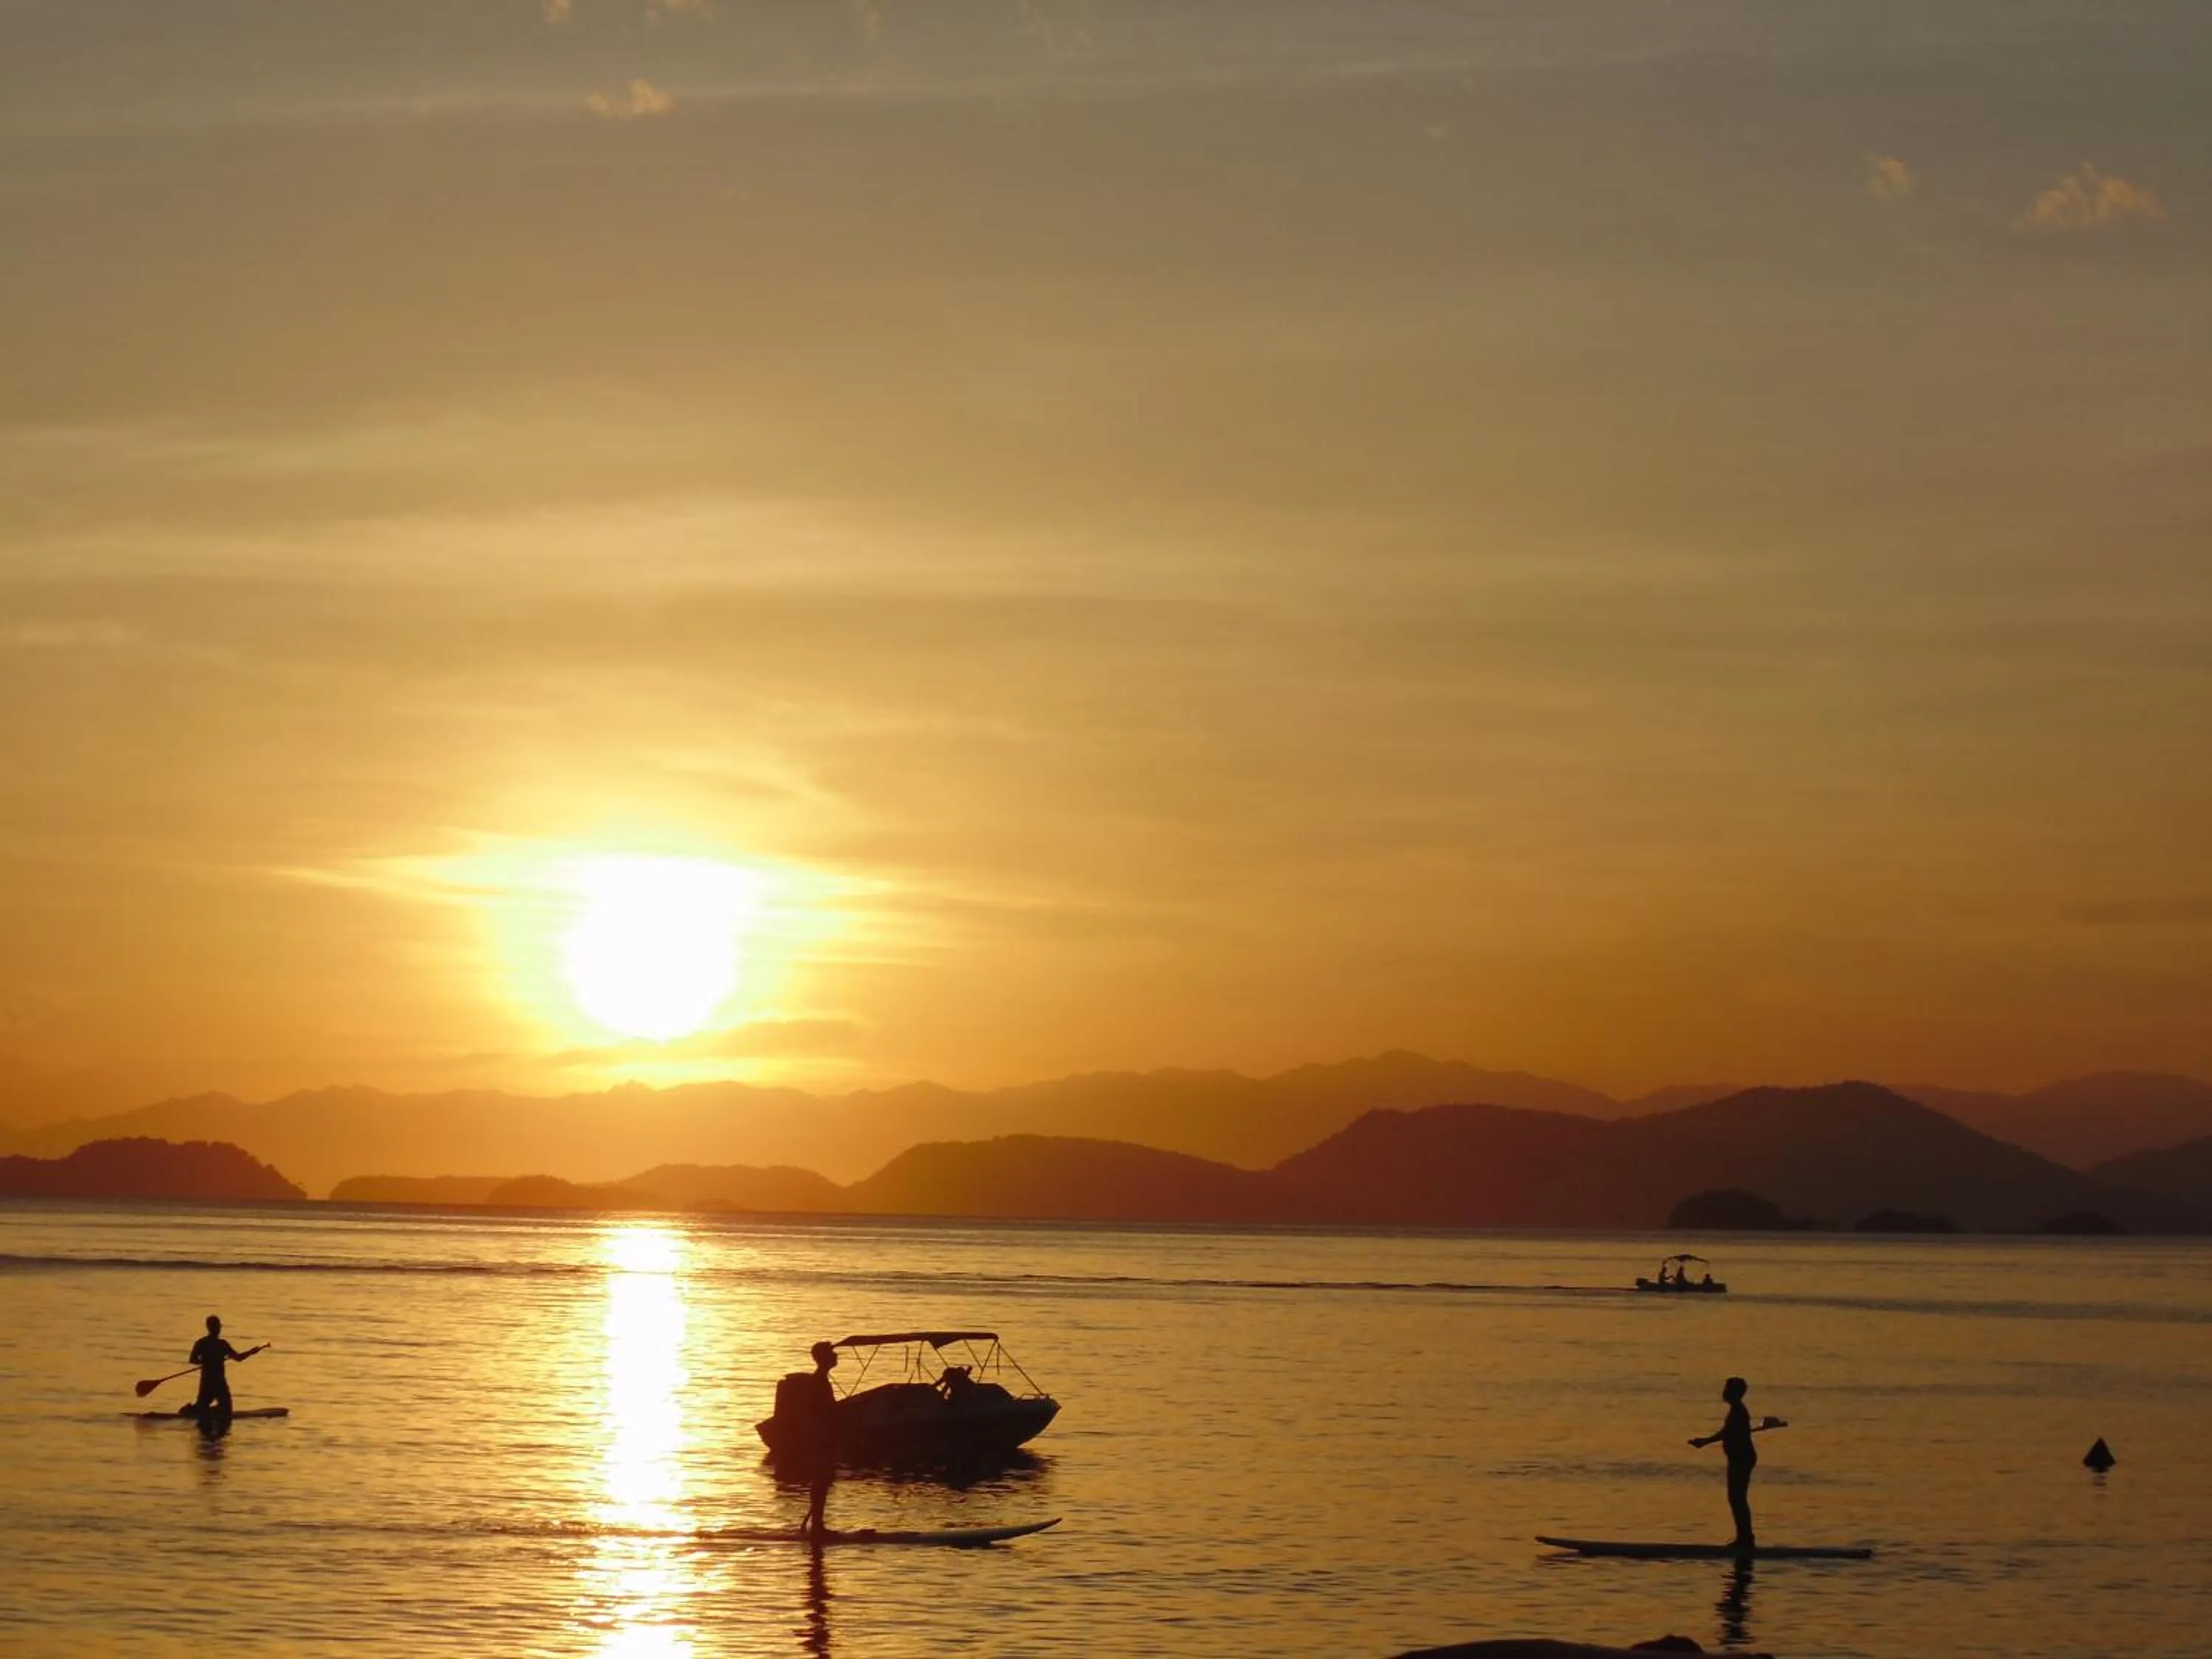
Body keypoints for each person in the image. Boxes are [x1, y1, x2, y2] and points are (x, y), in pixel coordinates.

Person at [773, 1340, 841, 1538]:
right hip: (819, 1438)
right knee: (820, 1481)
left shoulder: (821, 1379)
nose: (836, 1357)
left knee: (824, 1481)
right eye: (832, 1354)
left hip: (822, 1436)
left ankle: (818, 1523)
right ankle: (817, 1525)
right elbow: (818, 1411)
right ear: (824, 1358)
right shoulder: (818, 1381)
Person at [1689, 1376, 1759, 1548]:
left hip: (1742, 1458)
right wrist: (1705, 1441)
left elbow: (1727, 1433)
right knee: (1736, 1498)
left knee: (1737, 1498)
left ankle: (1746, 1539)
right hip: (1738, 1458)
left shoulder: (1739, 1411)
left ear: (1735, 1392)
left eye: (1728, 1389)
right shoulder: (1736, 1410)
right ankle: (1744, 1537)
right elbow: (1727, 1431)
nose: (1724, 1392)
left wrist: (1705, 1442)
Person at [187, 1315, 262, 1419]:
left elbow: (238, 1358)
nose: (218, 1329)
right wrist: (206, 1361)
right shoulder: (202, 1343)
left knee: (222, 1408)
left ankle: (200, 1410)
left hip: (217, 1381)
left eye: (218, 1327)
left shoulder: (222, 1344)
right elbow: (192, 1360)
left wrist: (251, 1352)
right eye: (216, 1327)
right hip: (210, 1382)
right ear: (210, 1327)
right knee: (226, 1410)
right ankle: (195, 1410)